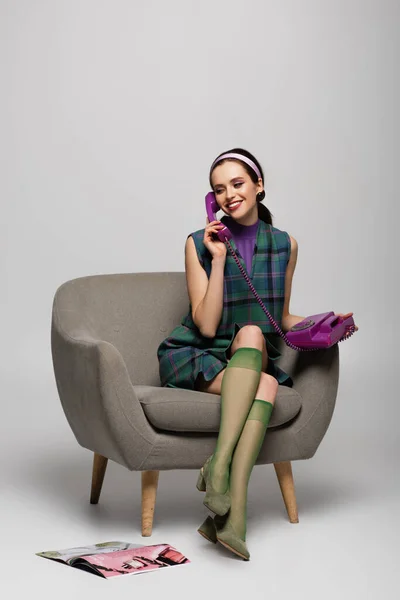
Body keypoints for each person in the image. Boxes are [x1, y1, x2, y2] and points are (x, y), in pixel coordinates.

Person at [157, 148, 356, 560]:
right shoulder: (198, 243)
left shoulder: (285, 245)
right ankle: (236, 515)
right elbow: (207, 325)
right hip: (202, 352)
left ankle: (220, 474)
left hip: (251, 352)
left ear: (259, 185)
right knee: (263, 375)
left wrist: (325, 322)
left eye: (237, 183)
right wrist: (217, 258)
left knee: (254, 337)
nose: (229, 194)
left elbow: (279, 317)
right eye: (219, 189)